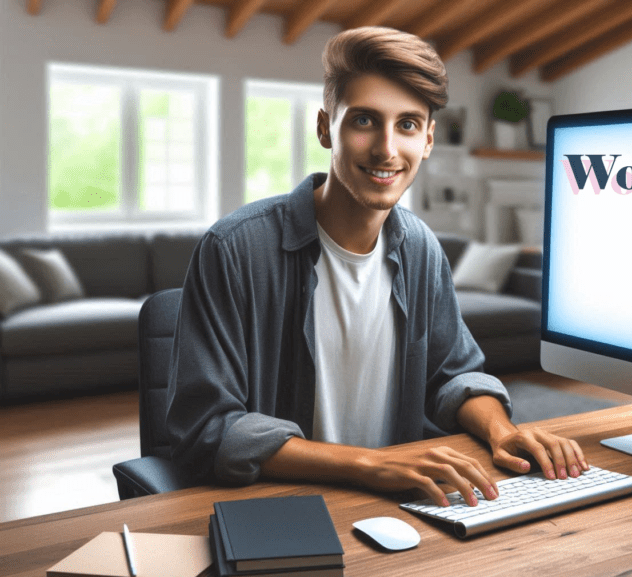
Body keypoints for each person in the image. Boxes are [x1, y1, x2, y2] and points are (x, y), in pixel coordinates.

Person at [166, 26, 587, 509]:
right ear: (326, 128)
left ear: (428, 139)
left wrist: (502, 431)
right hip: (283, 506)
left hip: (402, 502)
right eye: (364, 121)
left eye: (407, 124)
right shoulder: (235, 249)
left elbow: (453, 374)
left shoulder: (420, 248)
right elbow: (209, 427)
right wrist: (369, 465)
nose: (387, 148)